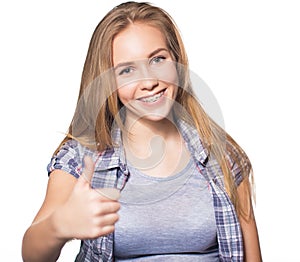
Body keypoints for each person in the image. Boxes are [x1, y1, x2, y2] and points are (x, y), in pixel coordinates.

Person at [22, 1, 262, 261]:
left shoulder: (223, 155)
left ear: (177, 62)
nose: (148, 82)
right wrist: (60, 225)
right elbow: (32, 254)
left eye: (158, 59)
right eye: (127, 70)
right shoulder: (81, 157)